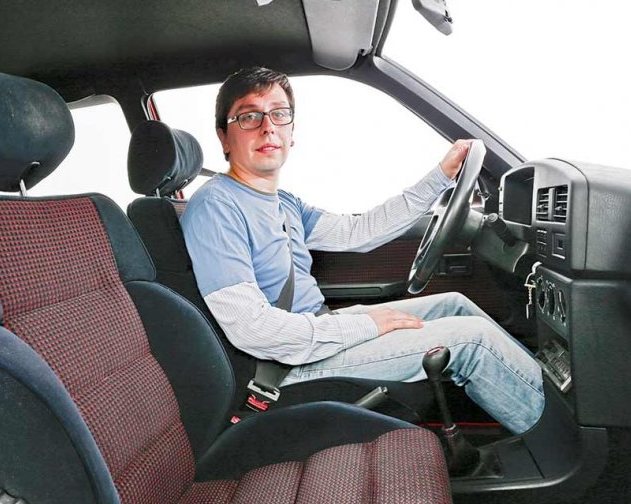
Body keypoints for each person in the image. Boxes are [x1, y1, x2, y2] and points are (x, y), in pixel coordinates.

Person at [180, 66, 544, 434]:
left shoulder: (284, 202)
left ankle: (544, 389)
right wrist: (365, 325)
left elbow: (359, 232)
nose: (268, 127)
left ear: (292, 132)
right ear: (224, 137)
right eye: (249, 116)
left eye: (279, 113)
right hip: (285, 366)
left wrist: (440, 177)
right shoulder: (216, 206)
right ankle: (558, 440)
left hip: (315, 331)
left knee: (454, 304)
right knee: (473, 340)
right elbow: (253, 329)